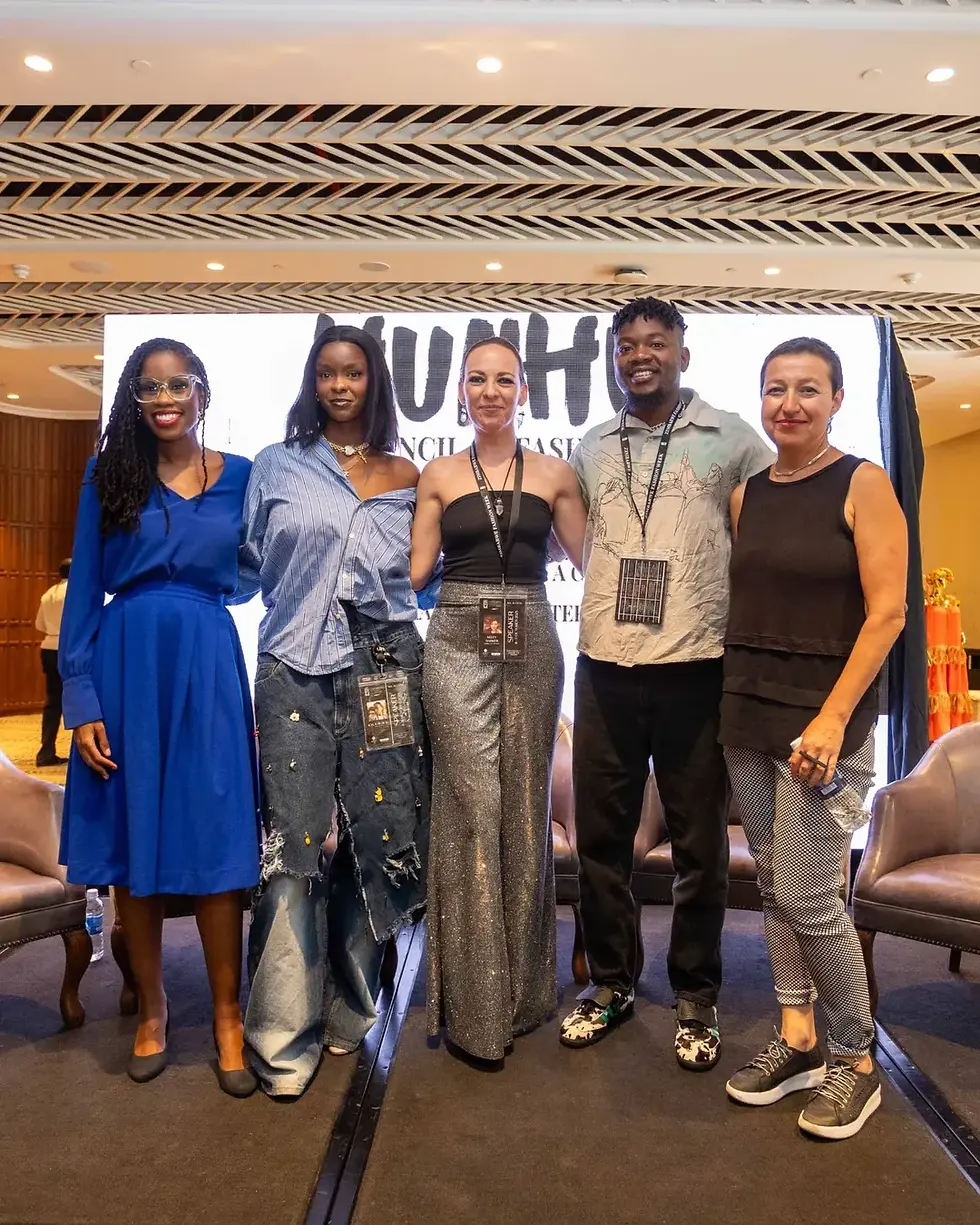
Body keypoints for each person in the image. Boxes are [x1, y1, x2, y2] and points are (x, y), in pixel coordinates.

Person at [559, 296, 772, 1068]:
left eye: (655, 342)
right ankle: (612, 984)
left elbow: (760, 543)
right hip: (605, 668)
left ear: (683, 351)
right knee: (602, 844)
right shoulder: (591, 445)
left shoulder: (731, 440)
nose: (639, 355)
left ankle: (696, 997)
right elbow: (583, 543)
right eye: (626, 346)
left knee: (699, 848)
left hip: (696, 669)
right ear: (614, 357)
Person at [59, 338, 260, 1096]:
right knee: (135, 846)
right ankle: (153, 1009)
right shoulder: (106, 475)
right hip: (125, 663)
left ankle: (228, 1014)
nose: (165, 396)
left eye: (179, 383)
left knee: (215, 843)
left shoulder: (240, 477)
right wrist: (81, 700)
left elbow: (256, 564)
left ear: (202, 391)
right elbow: (84, 589)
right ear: (134, 397)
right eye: (149, 386)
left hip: (207, 661)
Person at [721, 338, 906, 1140]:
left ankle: (857, 1059)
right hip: (747, 712)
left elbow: (888, 612)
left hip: (825, 724)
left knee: (807, 894)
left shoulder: (863, 481)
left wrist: (832, 716)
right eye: (775, 389)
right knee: (771, 886)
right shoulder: (746, 495)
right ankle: (797, 1035)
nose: (788, 403)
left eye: (807, 389)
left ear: (835, 399)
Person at [242, 324, 430, 1099]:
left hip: (384, 670)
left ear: (373, 382)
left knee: (375, 841)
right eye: (328, 372)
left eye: (354, 372)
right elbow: (251, 561)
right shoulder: (275, 465)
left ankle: (353, 1011)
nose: (341, 385)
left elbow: (423, 576)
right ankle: (283, 1038)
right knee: (291, 849)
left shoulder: (408, 472)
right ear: (312, 381)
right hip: (292, 666)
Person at [411, 336, 587, 1062]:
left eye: (503, 380)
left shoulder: (555, 474)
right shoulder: (437, 473)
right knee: (473, 809)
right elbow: (416, 572)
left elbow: (592, 562)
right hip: (453, 637)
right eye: (477, 379)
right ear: (461, 391)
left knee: (522, 809)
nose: (490, 390)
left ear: (524, 392)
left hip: (532, 641)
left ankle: (521, 997)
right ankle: (475, 1005)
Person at [35, 558, 71, 767]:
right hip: (68, 649)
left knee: (53, 702)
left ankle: (46, 751)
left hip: (48, 648)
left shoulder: (48, 594)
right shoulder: (76, 593)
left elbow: (40, 624)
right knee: (78, 700)